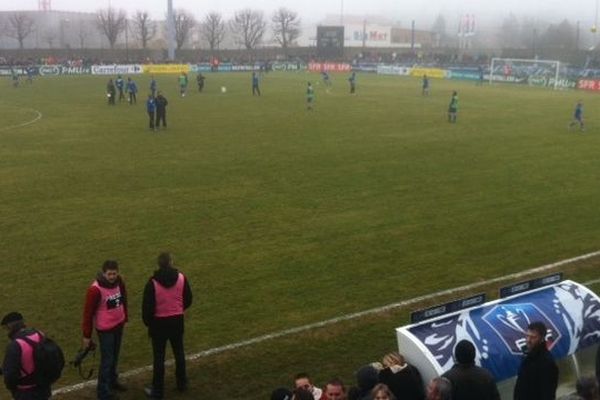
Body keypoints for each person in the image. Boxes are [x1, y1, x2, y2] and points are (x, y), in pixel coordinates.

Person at [143, 252, 193, 399]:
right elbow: (188, 299)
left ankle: (157, 391)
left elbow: (147, 309)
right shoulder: (181, 278)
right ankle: (182, 382)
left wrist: (150, 324)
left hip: (159, 325)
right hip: (177, 321)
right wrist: (178, 309)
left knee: (159, 358)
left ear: (159, 265)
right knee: (179, 352)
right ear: (171, 262)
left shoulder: (152, 283)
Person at [81, 260, 128, 400]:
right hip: (105, 329)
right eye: (109, 274)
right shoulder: (95, 290)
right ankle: (103, 392)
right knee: (107, 360)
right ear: (103, 273)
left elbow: (123, 299)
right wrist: (87, 335)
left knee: (115, 355)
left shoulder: (120, 281)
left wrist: (125, 318)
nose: (112, 276)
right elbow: (87, 314)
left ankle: (113, 381)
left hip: (118, 325)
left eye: (114, 273)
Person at [2, 312, 53, 400]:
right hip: (43, 386)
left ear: (11, 327)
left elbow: (10, 375)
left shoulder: (15, 345)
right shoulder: (39, 334)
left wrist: (13, 388)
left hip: (26, 392)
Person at [513, 321, 559, 400]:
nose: (528, 340)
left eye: (533, 337)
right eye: (527, 336)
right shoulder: (527, 357)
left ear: (542, 339)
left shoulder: (546, 362)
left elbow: (547, 394)